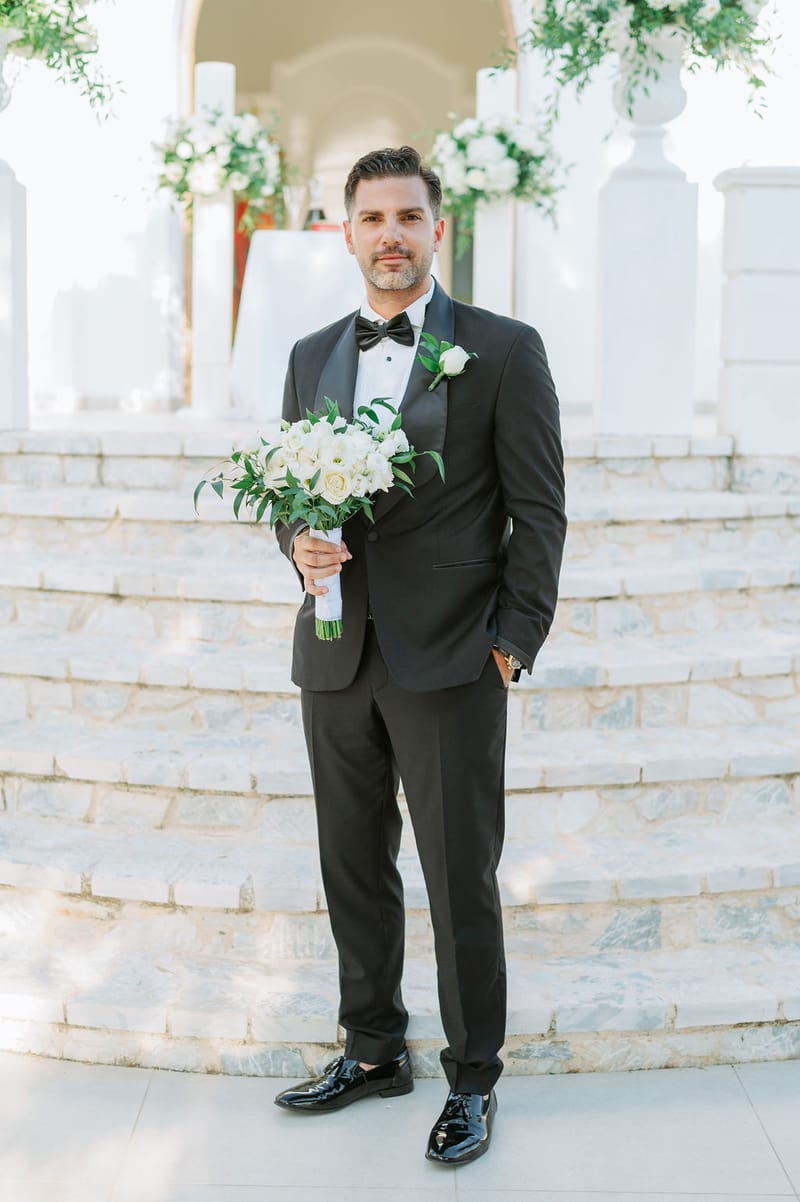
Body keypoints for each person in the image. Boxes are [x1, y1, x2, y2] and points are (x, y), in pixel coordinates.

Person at [273, 145, 567, 1166]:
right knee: (351, 864)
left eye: (407, 216)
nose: (389, 235)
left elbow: (536, 509)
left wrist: (512, 642)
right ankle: (371, 1048)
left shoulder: (501, 347)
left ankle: (473, 1076)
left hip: (451, 658)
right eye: (371, 219)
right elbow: (291, 495)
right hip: (333, 652)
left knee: (455, 873)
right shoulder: (312, 353)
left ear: (437, 228)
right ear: (345, 232)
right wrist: (296, 548)